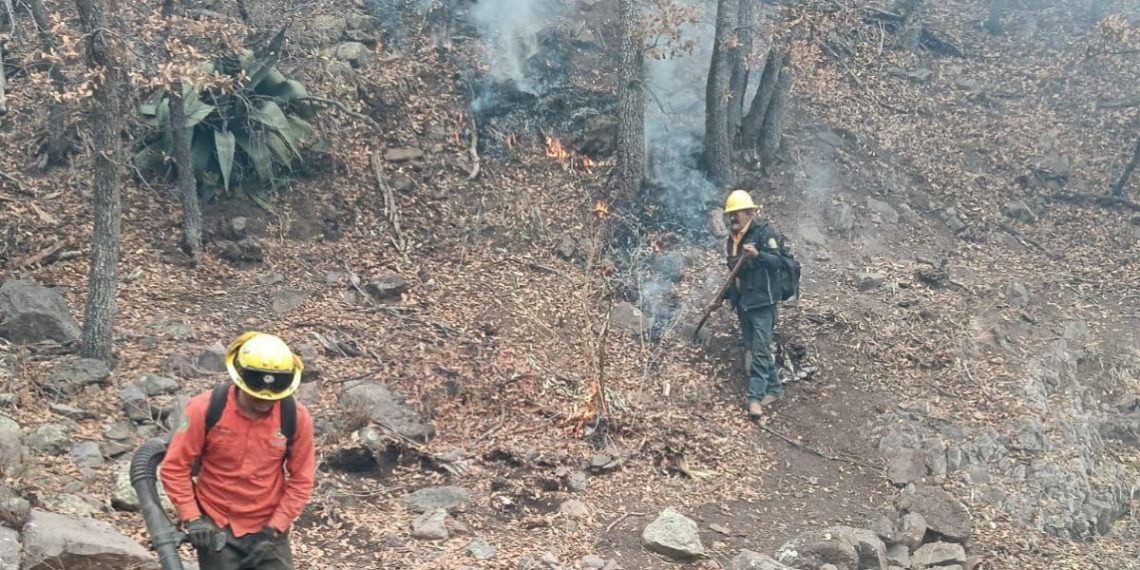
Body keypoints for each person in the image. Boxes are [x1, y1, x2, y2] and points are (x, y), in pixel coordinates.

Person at [161, 332, 316, 570]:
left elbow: (302, 480)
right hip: (216, 520)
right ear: (240, 378)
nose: (264, 403)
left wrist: (276, 528)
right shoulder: (205, 409)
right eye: (256, 397)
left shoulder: (295, 417)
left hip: (268, 524)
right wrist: (192, 517)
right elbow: (174, 467)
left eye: (271, 398)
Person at [723, 189, 785, 418]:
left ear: (749, 213)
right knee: (754, 347)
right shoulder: (731, 240)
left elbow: (777, 261)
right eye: (729, 214)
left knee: (759, 351)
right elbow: (734, 274)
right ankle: (775, 389)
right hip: (743, 304)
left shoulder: (763, 234)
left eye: (736, 213)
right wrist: (722, 299)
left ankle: (755, 399)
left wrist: (758, 255)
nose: (732, 218)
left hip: (762, 304)